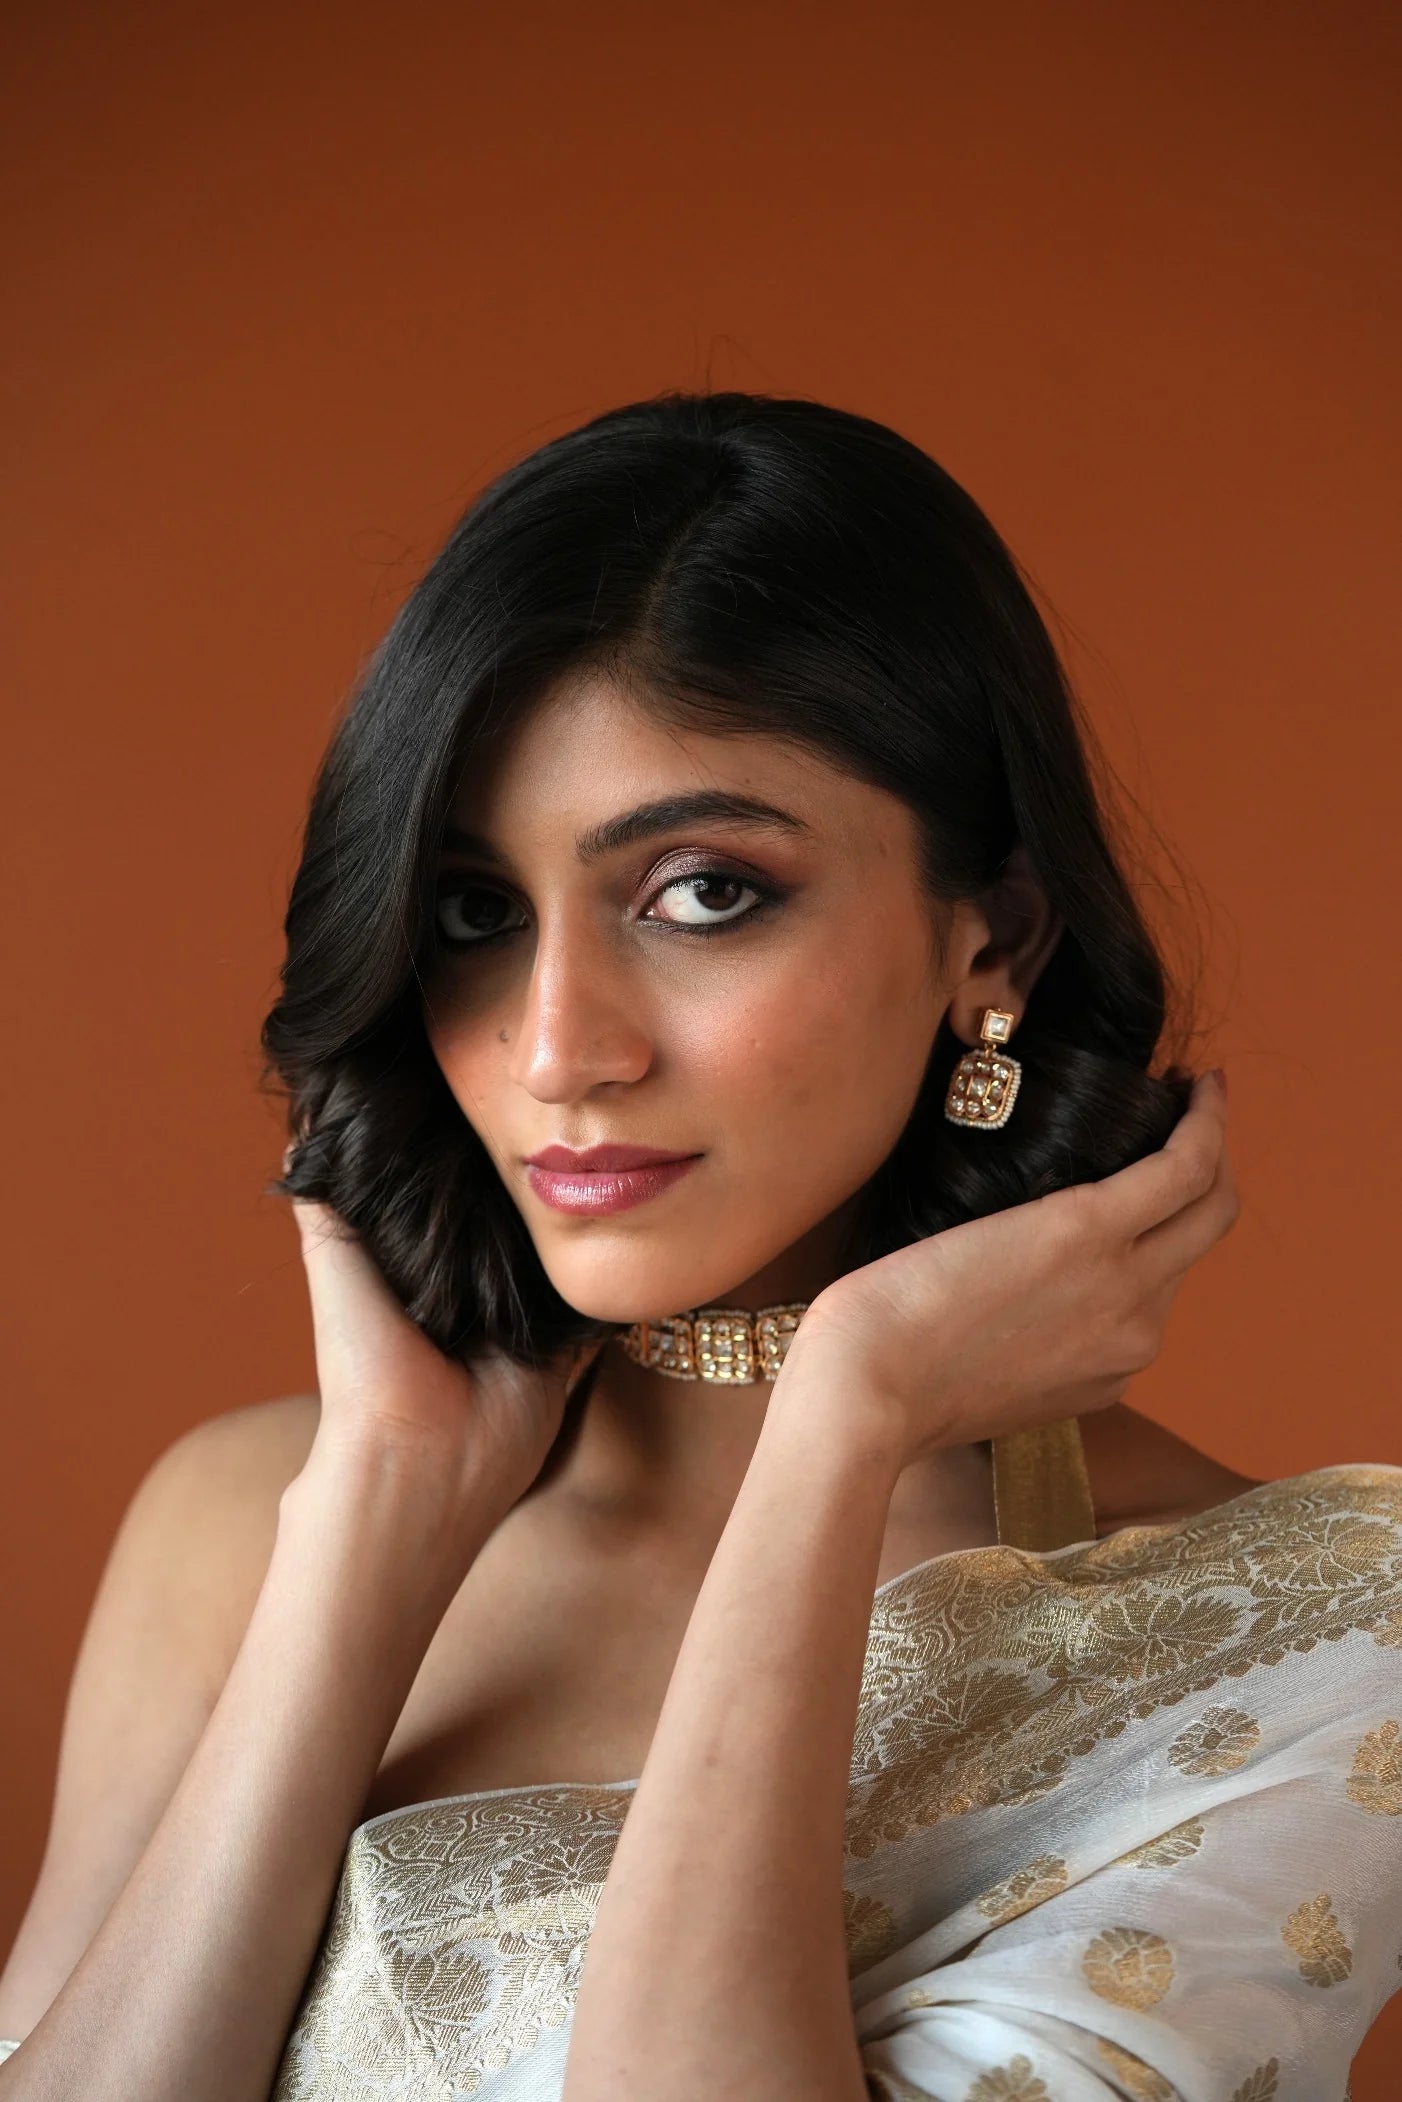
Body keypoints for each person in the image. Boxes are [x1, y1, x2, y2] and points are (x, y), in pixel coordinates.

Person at [2, 391, 1398, 2102]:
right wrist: (370, 1532)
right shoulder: (249, 1521)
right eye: (472, 912)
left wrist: (842, 1418)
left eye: (702, 891)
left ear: (995, 936)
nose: (555, 1046)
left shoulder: (1306, 1631)